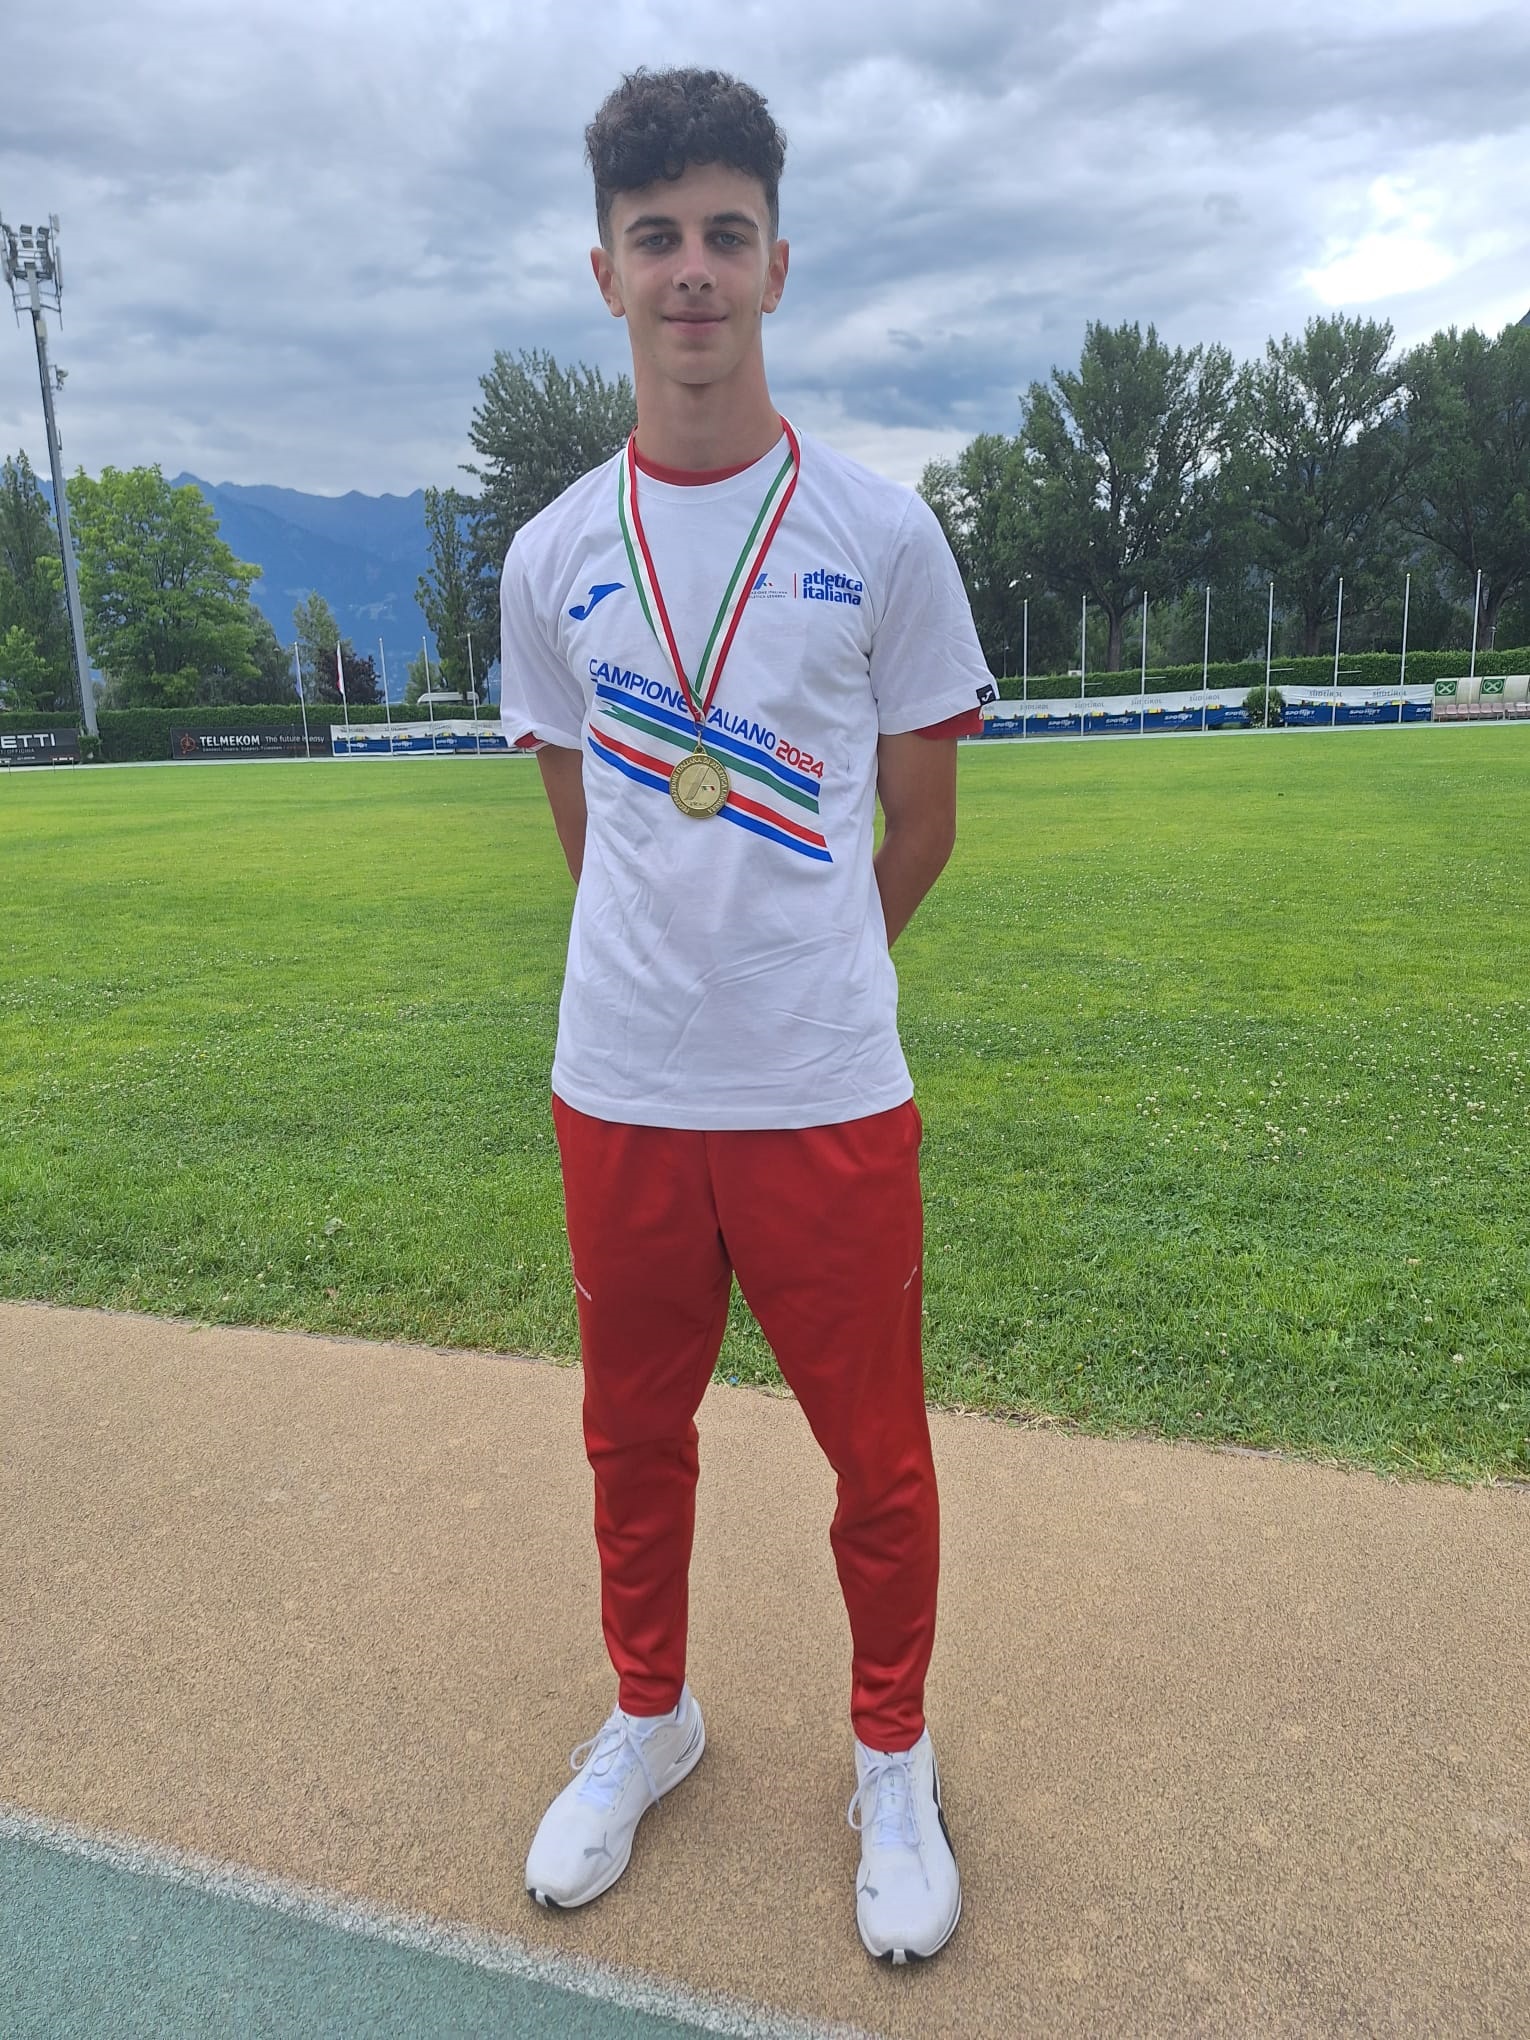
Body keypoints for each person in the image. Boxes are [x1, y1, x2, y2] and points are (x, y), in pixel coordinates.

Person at [498, 65, 995, 1966]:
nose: (690, 270)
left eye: (724, 234)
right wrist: (670, 970)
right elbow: (589, 829)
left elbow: (920, 825)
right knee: (632, 1439)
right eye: (656, 239)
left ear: (776, 263)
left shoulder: (880, 533)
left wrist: (812, 972)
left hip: (824, 1089)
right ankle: (651, 1718)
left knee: (876, 1456)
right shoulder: (551, 554)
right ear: (605, 273)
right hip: (620, 1085)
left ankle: (892, 1758)